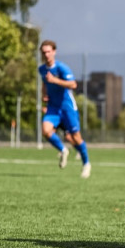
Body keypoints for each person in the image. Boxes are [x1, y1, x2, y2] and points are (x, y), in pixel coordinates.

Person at [38, 40, 91, 179]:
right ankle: (63, 150)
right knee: (46, 130)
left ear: (54, 52)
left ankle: (86, 164)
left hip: (67, 107)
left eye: (49, 51)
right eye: (44, 52)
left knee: (75, 137)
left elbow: (73, 84)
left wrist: (55, 80)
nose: (46, 54)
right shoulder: (42, 69)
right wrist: (44, 95)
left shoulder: (62, 68)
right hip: (53, 108)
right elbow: (45, 83)